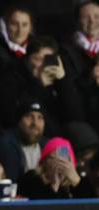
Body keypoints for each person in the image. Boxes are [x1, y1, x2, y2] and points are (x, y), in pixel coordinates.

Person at [0, 36, 85, 137]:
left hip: (58, 142)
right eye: (37, 59)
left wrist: (63, 81)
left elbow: (76, 117)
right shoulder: (11, 76)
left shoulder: (58, 76)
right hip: (25, 137)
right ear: (27, 59)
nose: (42, 64)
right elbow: (9, 117)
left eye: (48, 59)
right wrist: (39, 86)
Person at [61, 0, 99, 135]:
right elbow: (69, 91)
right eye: (86, 17)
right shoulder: (66, 51)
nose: (92, 21)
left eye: (96, 16)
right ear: (78, 22)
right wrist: (90, 78)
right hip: (84, 123)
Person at [3, 100, 49, 182]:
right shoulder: (7, 144)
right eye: (29, 116)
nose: (35, 123)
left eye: (40, 118)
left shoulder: (48, 146)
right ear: (19, 121)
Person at [0, 6, 34, 87]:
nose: (20, 30)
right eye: (14, 24)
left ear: (30, 28)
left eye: (25, 25)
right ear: (5, 25)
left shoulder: (37, 49)